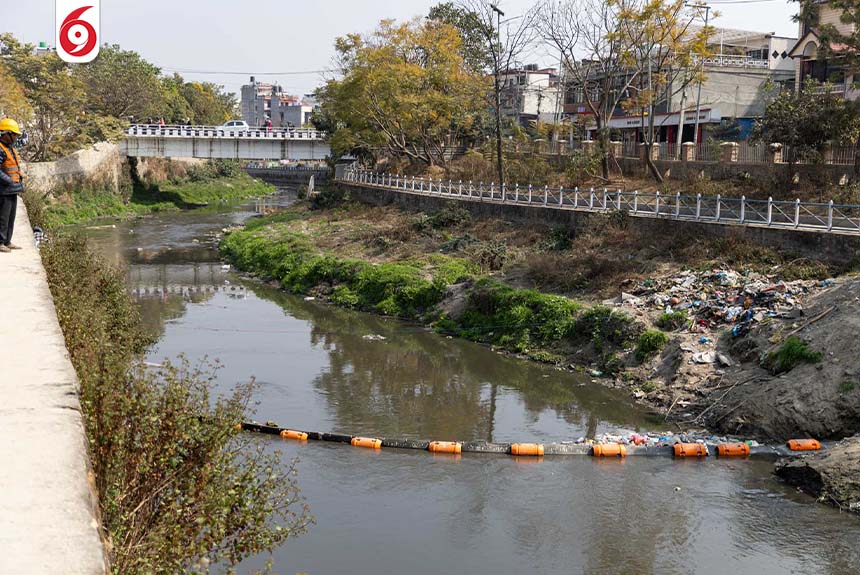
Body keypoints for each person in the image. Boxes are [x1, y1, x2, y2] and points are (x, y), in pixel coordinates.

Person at [0, 118, 24, 253]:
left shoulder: (10, 148)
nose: (15, 137)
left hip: (12, 189)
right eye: (14, 134)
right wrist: (8, 181)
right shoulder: (0, 148)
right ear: (5, 133)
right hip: (3, 190)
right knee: (2, 218)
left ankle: (7, 241)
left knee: (10, 217)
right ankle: (0, 242)